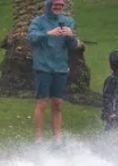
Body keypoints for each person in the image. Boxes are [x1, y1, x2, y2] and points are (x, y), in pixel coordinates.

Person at [26, 0, 79, 145]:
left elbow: (73, 46)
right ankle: (38, 139)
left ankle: (57, 139)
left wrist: (71, 36)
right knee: (42, 102)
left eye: (60, 5)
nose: (57, 7)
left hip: (60, 68)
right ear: (49, 5)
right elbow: (30, 37)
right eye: (54, 4)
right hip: (43, 67)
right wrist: (48, 33)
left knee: (57, 103)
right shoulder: (38, 21)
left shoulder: (67, 21)